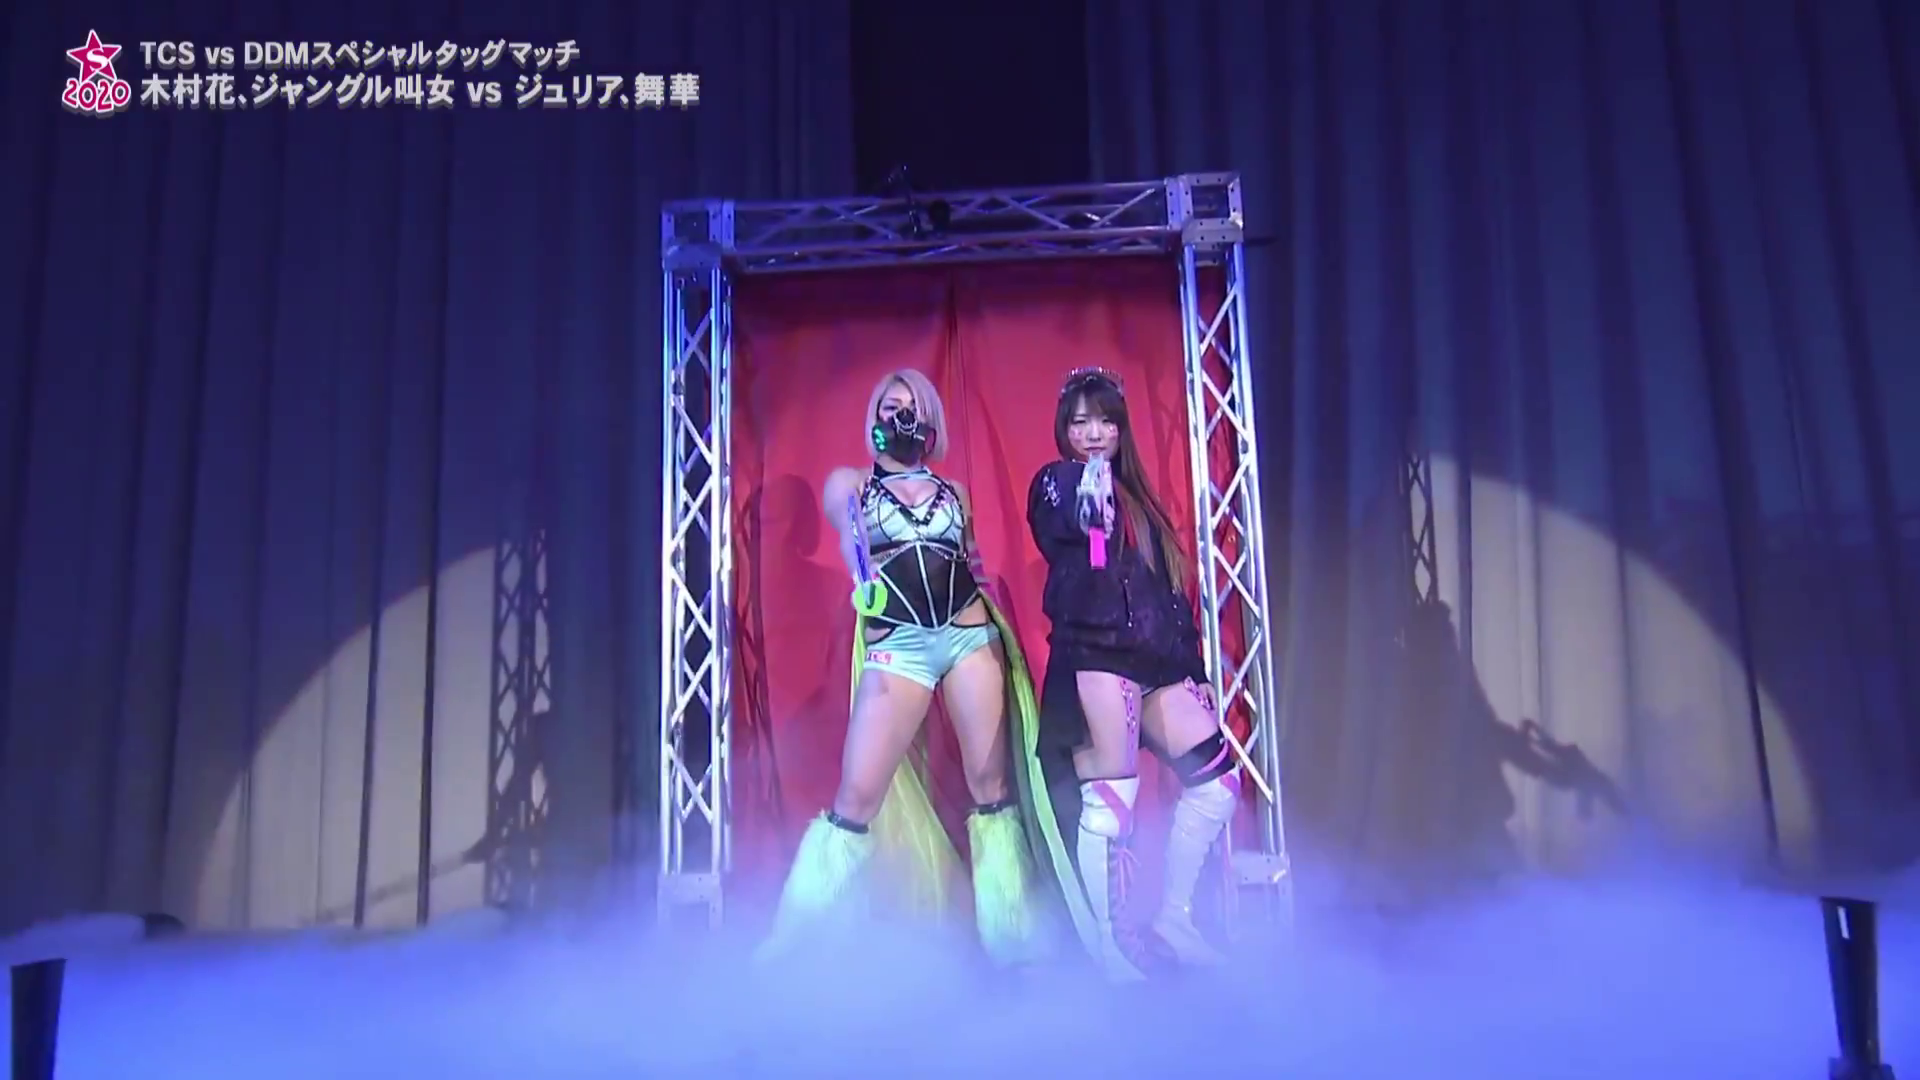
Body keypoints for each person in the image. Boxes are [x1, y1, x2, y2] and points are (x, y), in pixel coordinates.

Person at [757, 368, 1049, 965]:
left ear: (931, 419)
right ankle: (799, 947)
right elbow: (851, 539)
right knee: (856, 796)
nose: (902, 417)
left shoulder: (954, 492)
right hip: (900, 645)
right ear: (875, 417)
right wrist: (859, 571)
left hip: (969, 639)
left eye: (912, 407)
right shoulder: (851, 485)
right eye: (891, 407)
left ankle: (1013, 938)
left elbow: (972, 561)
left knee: (991, 791)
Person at [1024, 366, 1241, 981]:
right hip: (1095, 654)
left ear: (1121, 428)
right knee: (1112, 799)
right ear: (1064, 430)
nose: (1093, 433)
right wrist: (1087, 498)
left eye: (1105, 421)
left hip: (1155, 662)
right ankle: (1107, 947)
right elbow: (1059, 516)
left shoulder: (1141, 502)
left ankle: (1174, 918)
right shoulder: (1056, 481)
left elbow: (1169, 596)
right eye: (1079, 422)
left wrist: (1193, 669)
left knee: (1217, 785)